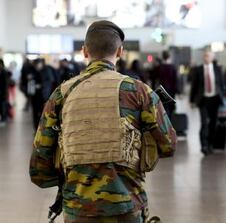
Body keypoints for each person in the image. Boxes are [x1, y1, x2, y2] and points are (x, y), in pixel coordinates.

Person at [30, 20, 176, 223]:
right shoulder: (140, 92)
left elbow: (39, 169)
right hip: (128, 209)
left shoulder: (61, 95)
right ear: (120, 52)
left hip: (78, 211)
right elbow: (169, 145)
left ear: (84, 51)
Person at [190, 50, 225, 155]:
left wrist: (222, 97)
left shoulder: (218, 69)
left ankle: (210, 144)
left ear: (212, 57)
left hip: (215, 99)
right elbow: (194, 86)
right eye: (205, 56)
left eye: (208, 56)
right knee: (204, 123)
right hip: (203, 100)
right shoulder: (198, 69)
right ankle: (203, 145)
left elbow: (222, 84)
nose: (206, 57)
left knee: (213, 124)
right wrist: (191, 100)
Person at [154, 50, 178, 118]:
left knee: (163, 107)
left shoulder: (159, 67)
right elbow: (175, 80)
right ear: (169, 57)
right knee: (170, 107)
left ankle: (165, 124)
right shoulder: (173, 67)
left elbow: (155, 78)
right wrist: (177, 91)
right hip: (171, 91)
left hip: (161, 90)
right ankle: (170, 123)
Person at [0, 59, 8, 126]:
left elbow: (5, 84)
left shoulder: (4, 72)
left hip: (3, 93)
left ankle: (4, 119)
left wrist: (5, 93)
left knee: (3, 106)